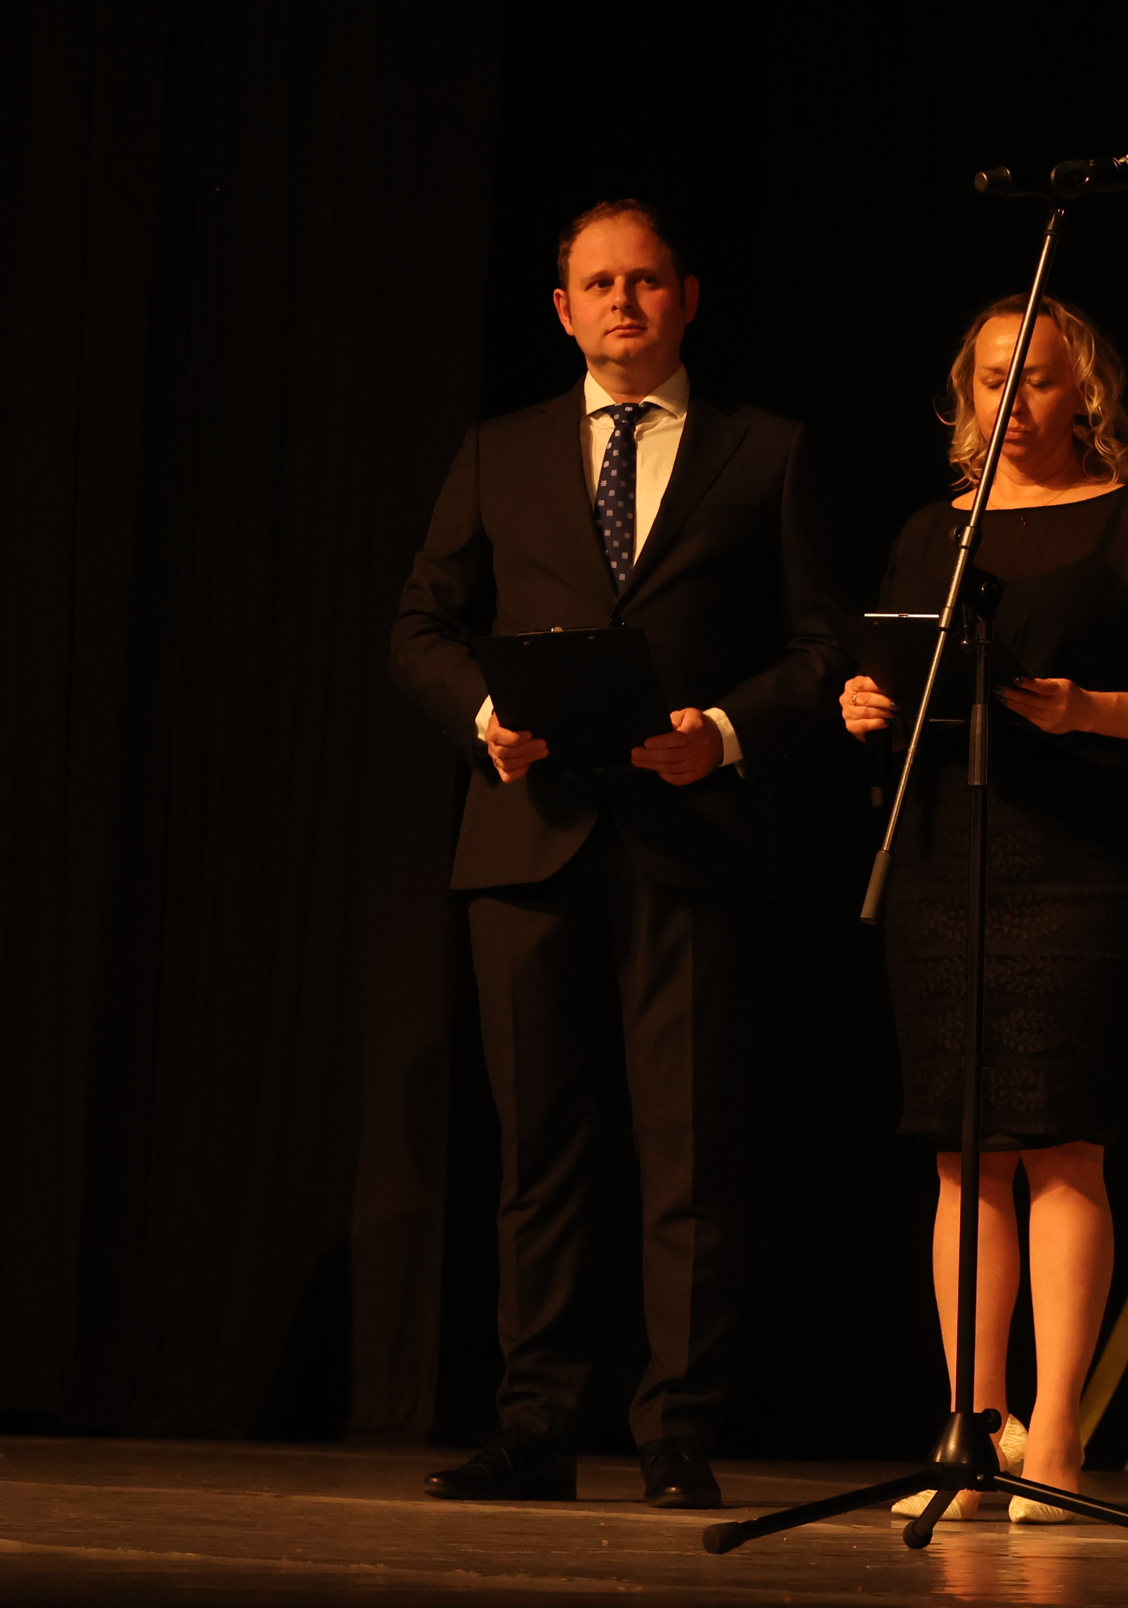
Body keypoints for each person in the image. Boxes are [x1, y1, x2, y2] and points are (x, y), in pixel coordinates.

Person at [392, 199, 847, 1510]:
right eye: (599, 284)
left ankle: (676, 1432)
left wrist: (726, 732)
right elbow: (421, 627)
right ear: (562, 308)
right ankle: (533, 1426)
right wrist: (485, 717)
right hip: (527, 840)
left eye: (645, 281)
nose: (623, 304)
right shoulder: (502, 449)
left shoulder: (768, 450)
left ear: (687, 298)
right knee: (538, 1154)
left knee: (688, 1154)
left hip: (687, 841)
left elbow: (823, 647)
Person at [840, 296, 1128, 1522]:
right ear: (966, 394)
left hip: (1078, 864)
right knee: (962, 1149)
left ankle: (1055, 1435)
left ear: (1082, 395)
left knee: (1061, 1142)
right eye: (994, 378)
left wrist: (1082, 708)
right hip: (944, 858)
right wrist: (864, 703)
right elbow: (893, 671)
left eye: (1038, 379)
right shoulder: (930, 533)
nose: (1013, 401)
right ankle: (972, 1426)